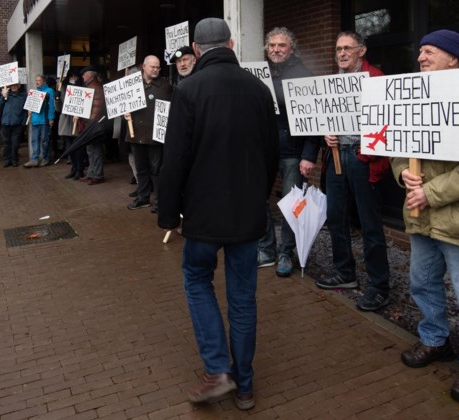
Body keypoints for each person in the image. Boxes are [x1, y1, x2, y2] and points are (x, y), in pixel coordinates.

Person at [158, 18, 279, 410]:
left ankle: (218, 369)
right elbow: (271, 155)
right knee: (243, 297)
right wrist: (258, 196)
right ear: (230, 43)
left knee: (197, 280)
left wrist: (168, 212)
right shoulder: (259, 91)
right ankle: (244, 385)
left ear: (196, 50)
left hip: (203, 216)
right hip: (246, 216)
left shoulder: (188, 90)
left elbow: (174, 158)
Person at [391, 29, 459, 405]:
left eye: (430, 51)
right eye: (419, 51)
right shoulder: (413, 98)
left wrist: (432, 192)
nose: (420, 58)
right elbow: (396, 147)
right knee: (423, 285)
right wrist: (402, 172)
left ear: (454, 59)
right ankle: (435, 340)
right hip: (422, 218)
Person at [315, 31, 392, 312]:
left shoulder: (377, 79)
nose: (342, 53)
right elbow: (324, 117)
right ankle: (345, 272)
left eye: (348, 48)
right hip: (336, 157)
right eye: (338, 49)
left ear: (362, 50)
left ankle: (379, 286)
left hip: (363, 160)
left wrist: (364, 149)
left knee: (370, 225)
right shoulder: (333, 82)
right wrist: (327, 135)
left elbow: (386, 125)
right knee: (336, 218)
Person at [258, 27, 320, 277]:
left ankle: (286, 252)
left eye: (281, 45)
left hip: (293, 153)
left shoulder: (304, 75)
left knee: (291, 206)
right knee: (257, 200)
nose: (275, 49)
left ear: (291, 48)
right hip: (264, 151)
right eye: (272, 45)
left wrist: (309, 154)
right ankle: (266, 248)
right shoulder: (259, 74)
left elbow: (314, 119)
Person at [124, 55, 172, 211]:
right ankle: (143, 198)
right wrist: (123, 113)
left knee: (157, 170)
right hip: (136, 134)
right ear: (144, 67)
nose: (156, 69)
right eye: (153, 66)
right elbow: (120, 104)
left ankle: (160, 202)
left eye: (158, 67)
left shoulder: (166, 85)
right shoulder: (132, 85)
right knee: (141, 169)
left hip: (156, 136)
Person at [78, 68, 107, 185]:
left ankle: (98, 175)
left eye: (84, 75)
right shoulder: (92, 88)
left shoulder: (95, 88)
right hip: (91, 123)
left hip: (94, 124)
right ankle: (92, 173)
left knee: (95, 150)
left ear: (90, 76)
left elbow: (96, 108)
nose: (83, 77)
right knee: (90, 149)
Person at [24, 74, 55, 167]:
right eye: (36, 80)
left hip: (44, 120)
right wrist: (29, 110)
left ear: (44, 81)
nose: (37, 82)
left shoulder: (49, 91)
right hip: (35, 120)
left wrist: (51, 118)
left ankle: (46, 158)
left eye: (39, 80)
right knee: (35, 140)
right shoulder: (35, 92)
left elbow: (51, 106)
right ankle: (34, 159)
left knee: (45, 140)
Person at [0, 83, 28, 167]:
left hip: (17, 123)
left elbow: (26, 110)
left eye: (15, 85)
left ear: (19, 86)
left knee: (15, 143)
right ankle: (7, 160)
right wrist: (3, 97)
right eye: (12, 85)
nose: (14, 87)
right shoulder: (6, 95)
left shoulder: (23, 96)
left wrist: (23, 123)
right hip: (5, 123)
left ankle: (14, 159)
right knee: (6, 143)